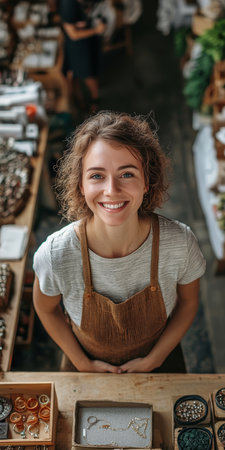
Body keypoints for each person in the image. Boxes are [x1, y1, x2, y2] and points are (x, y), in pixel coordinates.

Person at [33, 110, 206, 373]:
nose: (111, 190)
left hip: (160, 364)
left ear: (147, 181)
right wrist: (83, 363)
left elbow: (189, 303)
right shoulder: (56, 255)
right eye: (96, 176)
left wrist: (155, 359)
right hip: (84, 368)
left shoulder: (181, 245)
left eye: (127, 174)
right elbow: (45, 309)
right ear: (80, 184)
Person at [59, 0, 106, 113]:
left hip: (89, 39)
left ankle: (89, 99)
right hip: (78, 45)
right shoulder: (68, 5)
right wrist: (96, 30)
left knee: (90, 70)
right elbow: (74, 35)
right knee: (86, 74)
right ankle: (93, 100)